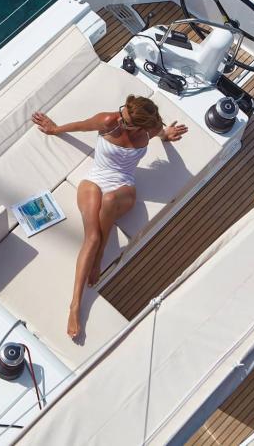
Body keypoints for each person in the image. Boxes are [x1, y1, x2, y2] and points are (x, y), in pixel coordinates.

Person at [32, 95, 188, 340]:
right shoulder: (108, 121)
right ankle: (75, 305)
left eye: (125, 118)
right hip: (95, 179)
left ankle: (99, 258)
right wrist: (54, 129)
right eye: (122, 110)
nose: (119, 116)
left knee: (110, 201)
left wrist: (167, 134)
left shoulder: (150, 129)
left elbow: (161, 133)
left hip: (123, 185)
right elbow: (82, 125)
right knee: (91, 237)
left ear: (139, 126)